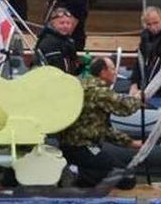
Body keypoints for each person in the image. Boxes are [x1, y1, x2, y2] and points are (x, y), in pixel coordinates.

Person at [57, 57, 142, 188]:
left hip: (73, 146)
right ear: (103, 72)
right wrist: (139, 98)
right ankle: (76, 173)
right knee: (127, 178)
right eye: (113, 69)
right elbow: (125, 107)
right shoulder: (98, 91)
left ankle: (77, 175)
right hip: (84, 147)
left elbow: (101, 128)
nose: (115, 72)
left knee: (112, 170)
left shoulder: (82, 85)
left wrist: (129, 142)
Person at [128, 5, 161, 106]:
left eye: (156, 23)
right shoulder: (145, 37)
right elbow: (139, 62)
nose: (153, 27)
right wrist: (134, 84)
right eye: (149, 24)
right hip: (147, 90)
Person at [33, 6, 80, 75]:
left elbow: (72, 65)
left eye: (68, 23)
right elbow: (57, 67)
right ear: (53, 24)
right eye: (62, 23)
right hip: (52, 80)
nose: (65, 26)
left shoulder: (67, 41)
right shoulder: (49, 42)